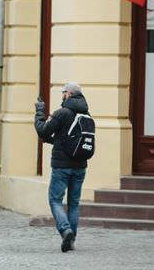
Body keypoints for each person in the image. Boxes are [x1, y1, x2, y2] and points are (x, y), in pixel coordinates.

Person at [34, 82, 90, 253]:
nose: (62, 94)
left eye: (63, 92)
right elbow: (67, 139)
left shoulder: (62, 113)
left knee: (55, 200)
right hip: (80, 166)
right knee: (73, 203)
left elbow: (43, 131)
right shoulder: (86, 114)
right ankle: (71, 239)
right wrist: (53, 140)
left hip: (61, 166)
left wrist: (39, 112)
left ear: (69, 94)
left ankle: (65, 230)